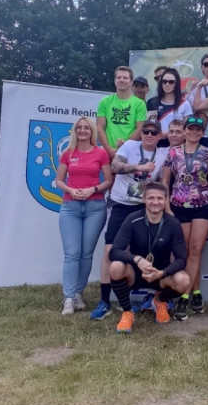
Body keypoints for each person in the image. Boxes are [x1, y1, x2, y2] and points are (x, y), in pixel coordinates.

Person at [89, 118, 166, 320]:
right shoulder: (130, 146)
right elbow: (114, 166)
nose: (149, 135)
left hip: (145, 206)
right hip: (121, 204)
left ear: (159, 135)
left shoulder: (164, 152)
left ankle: (150, 297)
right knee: (109, 252)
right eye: (146, 131)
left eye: (153, 132)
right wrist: (138, 168)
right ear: (141, 133)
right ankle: (105, 300)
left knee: (146, 252)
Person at [109, 181, 190, 334]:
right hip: (135, 273)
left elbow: (181, 259)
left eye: (160, 198)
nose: (155, 202)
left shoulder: (173, 224)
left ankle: (159, 301)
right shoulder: (132, 219)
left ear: (166, 201)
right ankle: (127, 312)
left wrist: (162, 273)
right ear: (144, 200)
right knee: (115, 267)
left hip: (160, 276)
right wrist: (137, 260)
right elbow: (114, 252)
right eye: (151, 198)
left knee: (183, 280)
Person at [54, 116, 111, 315]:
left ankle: (78, 293)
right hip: (70, 207)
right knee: (71, 254)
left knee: (86, 254)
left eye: (87, 128)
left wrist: (93, 189)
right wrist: (70, 190)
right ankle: (68, 298)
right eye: (80, 127)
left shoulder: (101, 153)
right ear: (75, 131)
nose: (83, 131)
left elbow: (108, 181)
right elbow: (58, 180)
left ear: (92, 131)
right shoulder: (68, 153)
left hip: (95, 206)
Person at [161, 115, 208, 317]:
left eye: (198, 130)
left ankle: (184, 298)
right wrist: (166, 206)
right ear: (184, 131)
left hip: (203, 205)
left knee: (195, 250)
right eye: (190, 129)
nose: (194, 132)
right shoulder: (173, 153)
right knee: (183, 252)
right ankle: (197, 292)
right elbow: (165, 181)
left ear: (202, 133)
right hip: (178, 206)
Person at [97, 66, 147, 160]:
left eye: (125, 78)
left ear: (131, 82)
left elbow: (140, 128)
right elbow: (100, 128)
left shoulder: (140, 104)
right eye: (119, 77)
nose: (121, 80)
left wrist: (125, 147)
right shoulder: (104, 102)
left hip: (130, 151)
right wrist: (108, 149)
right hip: (108, 151)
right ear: (115, 80)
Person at [148, 65, 193, 132]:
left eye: (171, 82)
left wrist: (169, 135)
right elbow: (151, 126)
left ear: (176, 83)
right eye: (164, 81)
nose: (167, 84)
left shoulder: (184, 104)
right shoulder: (152, 103)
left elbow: (187, 130)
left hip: (178, 141)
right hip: (158, 141)